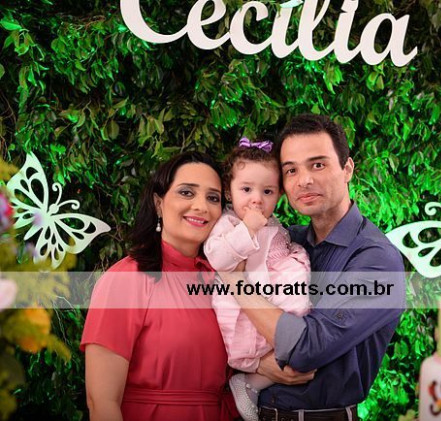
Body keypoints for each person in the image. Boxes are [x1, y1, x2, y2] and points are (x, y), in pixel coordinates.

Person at [221, 114, 406, 421]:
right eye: (291, 170)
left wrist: (234, 281)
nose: (303, 180)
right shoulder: (284, 241)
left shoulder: (377, 260)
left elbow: (305, 349)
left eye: (317, 165)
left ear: (347, 169)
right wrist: (258, 365)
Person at [81, 152, 239, 421]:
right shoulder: (126, 279)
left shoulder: (223, 280)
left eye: (213, 198)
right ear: (158, 204)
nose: (201, 206)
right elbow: (101, 402)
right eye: (187, 192)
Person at [204, 137, 311, 421]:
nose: (257, 199)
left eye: (267, 191)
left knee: (295, 344)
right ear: (228, 192)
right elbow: (219, 259)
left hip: (273, 298)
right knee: (270, 349)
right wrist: (247, 230)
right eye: (246, 189)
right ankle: (249, 383)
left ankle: (252, 384)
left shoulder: (274, 223)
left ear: (279, 194)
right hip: (245, 305)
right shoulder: (228, 224)